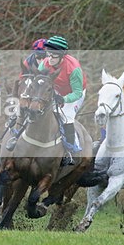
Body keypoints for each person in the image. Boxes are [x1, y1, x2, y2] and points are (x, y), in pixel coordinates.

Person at [38, 35, 86, 165]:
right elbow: (38, 81)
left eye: (54, 56)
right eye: (48, 54)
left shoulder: (73, 68)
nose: (50, 58)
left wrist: (63, 99)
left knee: (66, 117)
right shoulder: (45, 63)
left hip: (74, 94)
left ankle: (71, 149)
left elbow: (77, 93)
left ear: (62, 56)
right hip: (56, 90)